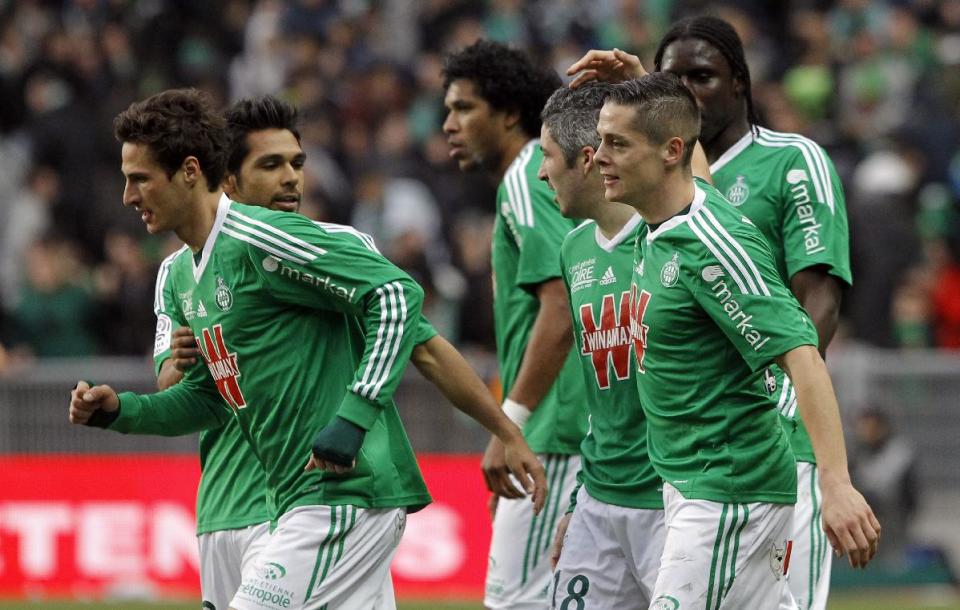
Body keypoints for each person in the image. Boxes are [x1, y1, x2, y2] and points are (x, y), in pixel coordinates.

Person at [67, 89, 541, 610]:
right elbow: (209, 400)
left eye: (139, 180)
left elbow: (400, 301)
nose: (128, 196)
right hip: (284, 500)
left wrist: (355, 418)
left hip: (338, 494)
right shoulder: (184, 274)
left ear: (189, 171)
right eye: (271, 164)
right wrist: (121, 411)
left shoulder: (273, 241)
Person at [568, 17, 854, 608]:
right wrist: (645, 89)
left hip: (739, 475)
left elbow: (803, 337)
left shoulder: (728, 218)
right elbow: (685, 178)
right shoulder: (661, 222)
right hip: (687, 480)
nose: (598, 161)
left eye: (616, 145)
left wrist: (835, 482)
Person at [442, 40, 589, 609]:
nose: (449, 124)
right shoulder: (542, 175)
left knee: (516, 602)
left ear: (506, 113)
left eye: (464, 108)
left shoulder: (529, 172)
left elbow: (561, 304)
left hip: (553, 437)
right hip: (577, 433)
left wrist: (511, 427)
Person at [537, 82, 665, 609]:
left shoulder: (669, 236)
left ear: (585, 160)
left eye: (546, 156)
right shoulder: (573, 249)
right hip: (600, 497)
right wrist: (578, 499)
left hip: (673, 503)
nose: (542, 172)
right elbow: (600, 397)